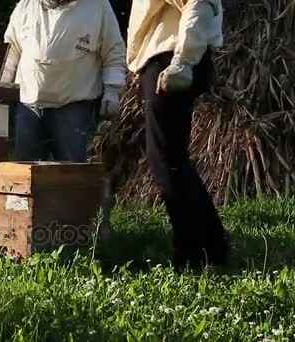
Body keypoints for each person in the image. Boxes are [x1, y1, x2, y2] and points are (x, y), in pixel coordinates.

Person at [127, 0, 230, 269]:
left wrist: (182, 61)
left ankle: (190, 254)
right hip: (169, 58)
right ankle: (212, 247)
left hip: (172, 59)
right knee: (171, 159)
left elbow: (199, 3)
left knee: (165, 162)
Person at [0, 0, 126, 162]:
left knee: (72, 176)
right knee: (24, 177)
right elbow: (12, 50)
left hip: (73, 105)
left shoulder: (98, 6)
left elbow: (114, 50)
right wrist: (2, 87)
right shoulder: (27, 5)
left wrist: (112, 90)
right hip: (28, 106)